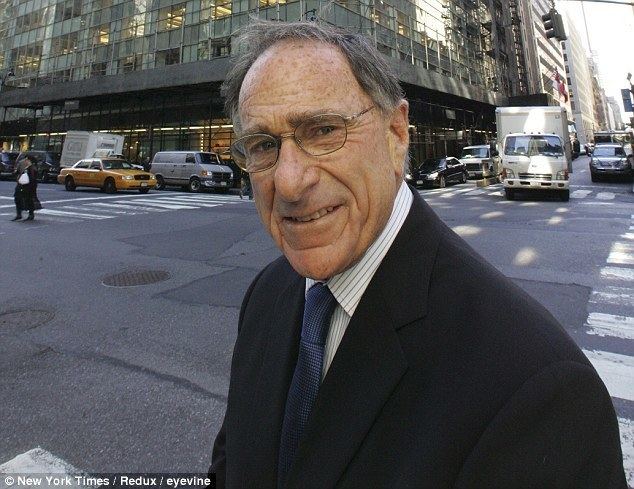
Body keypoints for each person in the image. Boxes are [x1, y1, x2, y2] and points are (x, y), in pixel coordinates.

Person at [210, 21, 626, 489]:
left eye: (323, 131)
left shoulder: (537, 386)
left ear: (396, 134)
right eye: (264, 145)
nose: (288, 182)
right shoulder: (266, 295)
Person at [12, 155, 38, 221]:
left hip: (28, 186)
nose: (25, 161)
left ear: (30, 161)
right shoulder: (25, 166)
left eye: (27, 159)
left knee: (29, 199)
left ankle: (31, 214)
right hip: (21, 184)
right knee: (17, 198)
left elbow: (33, 178)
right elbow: (18, 172)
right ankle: (19, 214)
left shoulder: (33, 168)